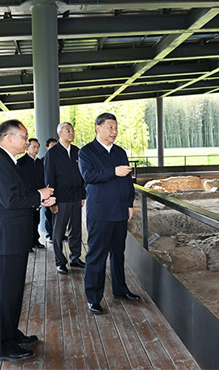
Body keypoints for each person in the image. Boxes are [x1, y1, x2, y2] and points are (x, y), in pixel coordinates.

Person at [0, 119, 55, 361]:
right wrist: (39, 194)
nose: (26, 141)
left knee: (12, 293)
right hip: (5, 240)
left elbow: (17, 196)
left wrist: (39, 200)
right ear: (9, 137)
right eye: (23, 137)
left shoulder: (5, 160)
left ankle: (10, 334)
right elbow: (10, 200)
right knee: (6, 295)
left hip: (11, 238)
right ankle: (4, 346)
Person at [78, 112, 140, 315]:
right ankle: (93, 298)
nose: (114, 131)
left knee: (118, 253)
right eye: (110, 127)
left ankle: (120, 290)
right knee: (97, 255)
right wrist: (113, 171)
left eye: (116, 127)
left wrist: (129, 203)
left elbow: (127, 180)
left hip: (120, 210)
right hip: (100, 212)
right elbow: (88, 176)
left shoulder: (120, 152)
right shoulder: (87, 152)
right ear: (98, 128)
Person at [44, 123, 86, 275]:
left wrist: (82, 195)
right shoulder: (52, 153)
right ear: (60, 134)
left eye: (73, 130)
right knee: (58, 232)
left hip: (76, 197)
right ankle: (60, 261)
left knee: (76, 229)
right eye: (68, 130)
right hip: (60, 199)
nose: (72, 133)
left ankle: (75, 257)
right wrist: (52, 200)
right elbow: (49, 178)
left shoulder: (76, 151)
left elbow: (81, 175)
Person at [18, 138, 46, 249]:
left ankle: (35, 240)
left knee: (36, 219)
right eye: (33, 147)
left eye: (38, 147)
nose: (36, 149)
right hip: (26, 196)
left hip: (38, 195)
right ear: (27, 148)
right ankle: (27, 243)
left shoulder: (40, 162)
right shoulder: (21, 162)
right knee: (27, 220)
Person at [43, 137, 58, 243]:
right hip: (46, 192)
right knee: (48, 214)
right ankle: (49, 234)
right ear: (47, 148)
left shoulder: (59, 160)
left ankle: (58, 234)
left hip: (57, 192)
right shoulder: (43, 159)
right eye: (52, 146)